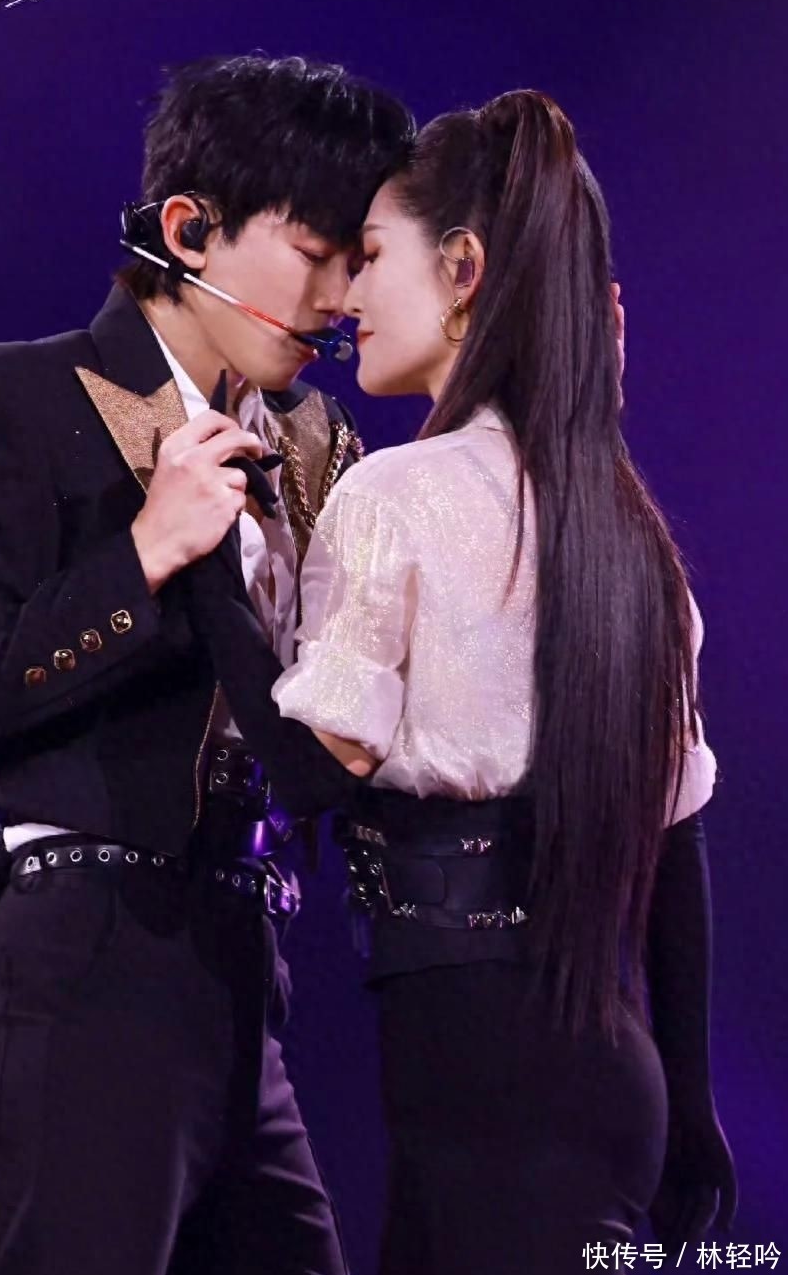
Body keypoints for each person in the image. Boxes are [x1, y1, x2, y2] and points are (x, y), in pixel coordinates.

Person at [178, 89, 738, 1273]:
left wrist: (201, 571)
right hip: (606, 1071)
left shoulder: (397, 495)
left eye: (374, 255)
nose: (348, 295)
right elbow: (676, 847)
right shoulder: (630, 534)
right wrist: (694, 1108)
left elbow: (314, 773)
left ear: (465, 267)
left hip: (479, 1074)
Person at [0, 53, 415, 1275]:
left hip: (248, 973)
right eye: (315, 253)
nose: (340, 298)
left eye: (358, 263)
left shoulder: (320, 444)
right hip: (81, 958)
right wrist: (140, 558)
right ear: (188, 229)